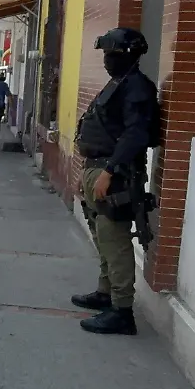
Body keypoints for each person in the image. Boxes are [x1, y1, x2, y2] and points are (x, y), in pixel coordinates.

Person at [71, 27, 160, 336]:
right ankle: (105, 292)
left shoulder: (137, 87)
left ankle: (122, 311)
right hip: (99, 169)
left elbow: (135, 134)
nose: (107, 60)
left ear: (126, 56)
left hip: (116, 175)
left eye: (111, 54)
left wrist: (109, 171)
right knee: (103, 237)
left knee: (115, 241)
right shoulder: (120, 83)